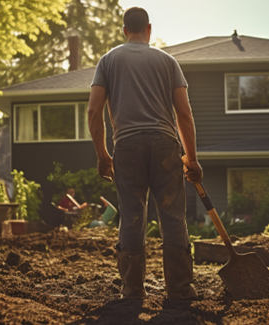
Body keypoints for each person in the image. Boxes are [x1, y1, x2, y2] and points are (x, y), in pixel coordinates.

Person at [87, 7, 202, 300]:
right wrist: (192, 158)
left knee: (132, 215)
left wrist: (102, 154)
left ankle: (131, 290)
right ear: (148, 29)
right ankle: (180, 288)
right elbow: (184, 114)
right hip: (165, 144)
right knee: (173, 215)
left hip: (127, 146)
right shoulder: (168, 62)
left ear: (124, 31)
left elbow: (93, 110)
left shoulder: (108, 60)